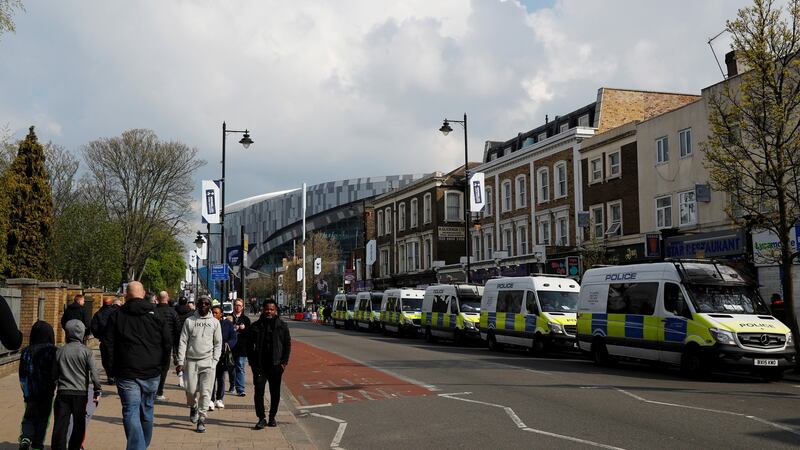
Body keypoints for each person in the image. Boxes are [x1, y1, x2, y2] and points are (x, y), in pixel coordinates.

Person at [106, 281, 171, 450]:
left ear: (126, 295)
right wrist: (162, 366)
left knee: (131, 410)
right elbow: (167, 343)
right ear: (143, 294)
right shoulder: (156, 315)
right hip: (151, 371)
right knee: (147, 410)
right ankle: (141, 446)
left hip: (126, 371)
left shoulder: (116, 315)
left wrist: (110, 369)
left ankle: (139, 447)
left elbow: (108, 345)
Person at [51, 319, 101, 450]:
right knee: (79, 425)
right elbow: (94, 373)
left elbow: (54, 374)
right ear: (82, 333)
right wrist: (97, 390)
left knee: (60, 425)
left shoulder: (60, 351)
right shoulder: (86, 351)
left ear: (67, 333)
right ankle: (75, 447)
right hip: (80, 393)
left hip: (63, 393)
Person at [175, 296, 221, 433]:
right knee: (190, 390)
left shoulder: (214, 322)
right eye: (201, 304)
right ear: (197, 305)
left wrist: (214, 361)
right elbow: (183, 341)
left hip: (208, 362)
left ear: (209, 307)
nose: (203, 306)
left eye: (206, 304)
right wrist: (180, 361)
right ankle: (193, 406)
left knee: (206, 392)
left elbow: (218, 343)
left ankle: (202, 418)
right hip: (191, 361)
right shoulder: (189, 321)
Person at [246, 299, 291, 429]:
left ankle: (272, 417)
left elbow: (287, 345)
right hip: (260, 365)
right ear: (263, 309)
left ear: (275, 310)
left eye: (271, 309)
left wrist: (284, 363)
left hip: (276, 365)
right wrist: (252, 363)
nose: (269, 312)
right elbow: (249, 346)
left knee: (275, 392)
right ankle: (261, 418)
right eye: (267, 309)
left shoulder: (282, 326)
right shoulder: (255, 326)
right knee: (258, 392)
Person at [18, 321, 57, 450]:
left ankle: (26, 437)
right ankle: (37, 444)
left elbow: (22, 373)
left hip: (30, 391)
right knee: (43, 419)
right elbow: (54, 372)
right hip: (46, 391)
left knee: (29, 416)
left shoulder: (26, 351)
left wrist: (25, 389)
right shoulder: (52, 350)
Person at [154, 291, 180, 401]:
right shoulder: (172, 312)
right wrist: (176, 344)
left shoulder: (153, 311)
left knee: (153, 367)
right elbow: (178, 328)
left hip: (154, 343)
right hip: (167, 343)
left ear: (157, 298)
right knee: (164, 368)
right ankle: (159, 392)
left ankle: (152, 390)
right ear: (167, 298)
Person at [210, 304, 237, 409]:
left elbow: (233, 337)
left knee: (220, 377)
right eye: (212, 312)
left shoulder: (227, 324)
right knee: (211, 378)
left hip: (222, 356)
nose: (214, 314)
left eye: (216, 313)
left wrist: (228, 344)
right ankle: (210, 399)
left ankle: (219, 398)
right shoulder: (208, 324)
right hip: (210, 355)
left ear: (221, 314)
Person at [90, 296, 120, 384]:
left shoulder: (98, 313)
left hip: (105, 340)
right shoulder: (117, 312)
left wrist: (99, 336)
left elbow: (94, 328)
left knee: (106, 359)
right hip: (116, 339)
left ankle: (110, 376)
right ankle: (115, 375)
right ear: (111, 303)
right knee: (116, 358)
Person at [227, 298, 251, 396]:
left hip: (242, 347)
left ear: (242, 307)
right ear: (233, 306)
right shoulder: (228, 318)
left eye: (240, 305)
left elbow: (250, 334)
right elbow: (225, 331)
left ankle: (240, 389)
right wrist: (233, 328)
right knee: (231, 368)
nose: (238, 307)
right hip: (230, 347)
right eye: (236, 305)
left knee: (240, 367)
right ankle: (232, 385)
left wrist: (243, 329)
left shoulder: (246, 320)